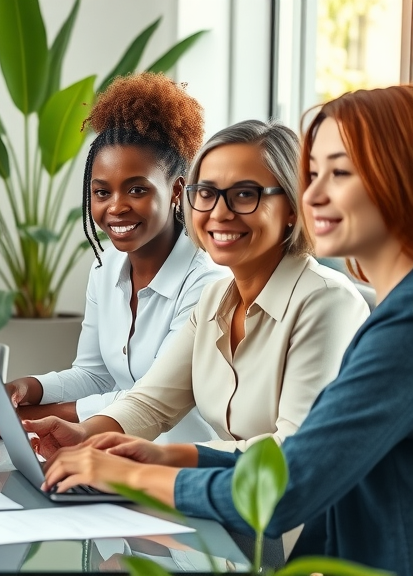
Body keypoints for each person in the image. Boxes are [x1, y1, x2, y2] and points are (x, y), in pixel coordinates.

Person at [29, 85, 413, 575]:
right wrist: (120, 445)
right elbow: (152, 401)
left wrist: (139, 470)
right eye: (312, 174)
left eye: (337, 173)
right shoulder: (221, 297)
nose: (315, 192)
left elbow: (292, 478)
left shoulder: (369, 316)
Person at [25, 119, 368, 453]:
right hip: (226, 498)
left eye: (245, 194)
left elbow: (294, 450)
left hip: (296, 508)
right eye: (206, 193)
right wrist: (82, 433)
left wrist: (166, 461)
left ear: (293, 206)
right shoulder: (216, 300)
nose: (219, 212)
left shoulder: (327, 302)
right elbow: (151, 403)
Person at [0, 73, 226, 443]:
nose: (116, 207)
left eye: (137, 189)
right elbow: (94, 376)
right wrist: (26, 389)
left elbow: (149, 399)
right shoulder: (105, 267)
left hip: (177, 465)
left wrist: (30, 416)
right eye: (101, 192)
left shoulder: (206, 283)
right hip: (111, 454)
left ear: (175, 190)